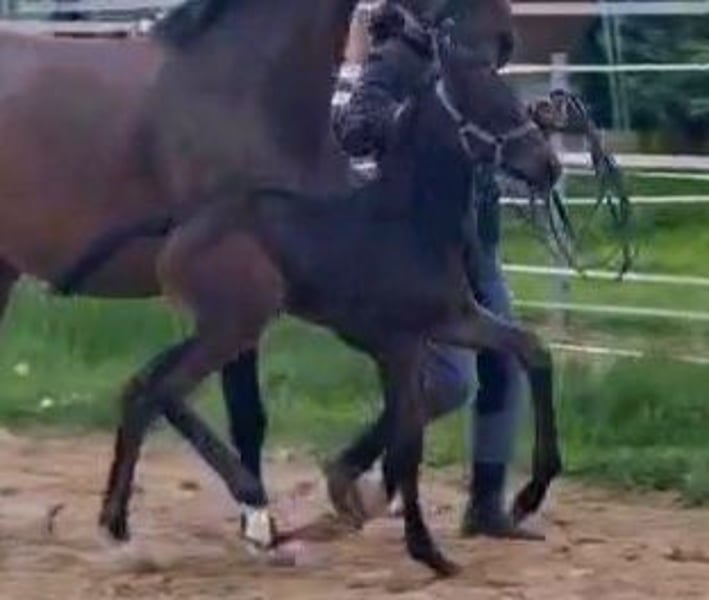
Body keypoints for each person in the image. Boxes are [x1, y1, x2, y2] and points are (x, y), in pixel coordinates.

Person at [332, 1, 537, 539]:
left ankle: (485, 507)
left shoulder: (473, 63)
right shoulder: (399, 58)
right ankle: (357, 462)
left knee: (505, 361)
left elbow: (491, 130)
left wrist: (524, 134)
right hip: (420, 246)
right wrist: (417, 122)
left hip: (477, 239)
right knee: (450, 382)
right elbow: (355, 129)